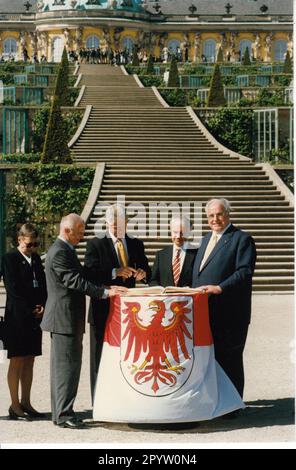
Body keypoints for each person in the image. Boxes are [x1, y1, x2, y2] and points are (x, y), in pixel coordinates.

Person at [41, 213, 126, 429]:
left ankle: (60, 412)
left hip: (67, 318)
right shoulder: (60, 252)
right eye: (79, 232)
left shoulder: (65, 250)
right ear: (67, 230)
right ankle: (63, 414)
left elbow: (83, 275)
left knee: (66, 367)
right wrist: (105, 294)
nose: (82, 236)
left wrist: (108, 286)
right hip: (64, 319)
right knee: (67, 368)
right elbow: (74, 280)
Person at [192, 198, 256, 404]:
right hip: (206, 311)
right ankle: (216, 402)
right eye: (210, 215)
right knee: (210, 359)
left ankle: (233, 405)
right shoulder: (203, 240)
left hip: (230, 312)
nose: (215, 219)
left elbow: (244, 272)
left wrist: (220, 288)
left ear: (228, 214)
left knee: (230, 359)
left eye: (219, 214)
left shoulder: (241, 239)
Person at [84, 204, 151, 402]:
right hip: (102, 308)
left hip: (129, 311)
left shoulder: (136, 244)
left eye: (120, 225)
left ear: (127, 223)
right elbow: (89, 274)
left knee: (128, 353)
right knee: (100, 355)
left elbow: (146, 270)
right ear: (106, 224)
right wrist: (115, 272)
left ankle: (125, 398)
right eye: (113, 225)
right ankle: (99, 401)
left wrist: (142, 274)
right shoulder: (95, 244)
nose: (117, 229)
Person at [1, 224, 47, 420]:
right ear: (20, 240)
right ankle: (14, 404)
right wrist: (29, 310)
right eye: (29, 244)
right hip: (18, 317)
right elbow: (13, 289)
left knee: (30, 359)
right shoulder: (9, 259)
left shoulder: (36, 259)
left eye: (36, 244)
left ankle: (26, 401)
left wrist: (43, 305)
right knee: (17, 360)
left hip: (35, 317)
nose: (32, 248)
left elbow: (43, 284)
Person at [150, 215, 197, 287]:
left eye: (182, 233)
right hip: (165, 297)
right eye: (175, 232)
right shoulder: (161, 255)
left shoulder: (197, 254)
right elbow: (153, 280)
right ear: (170, 231)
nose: (178, 236)